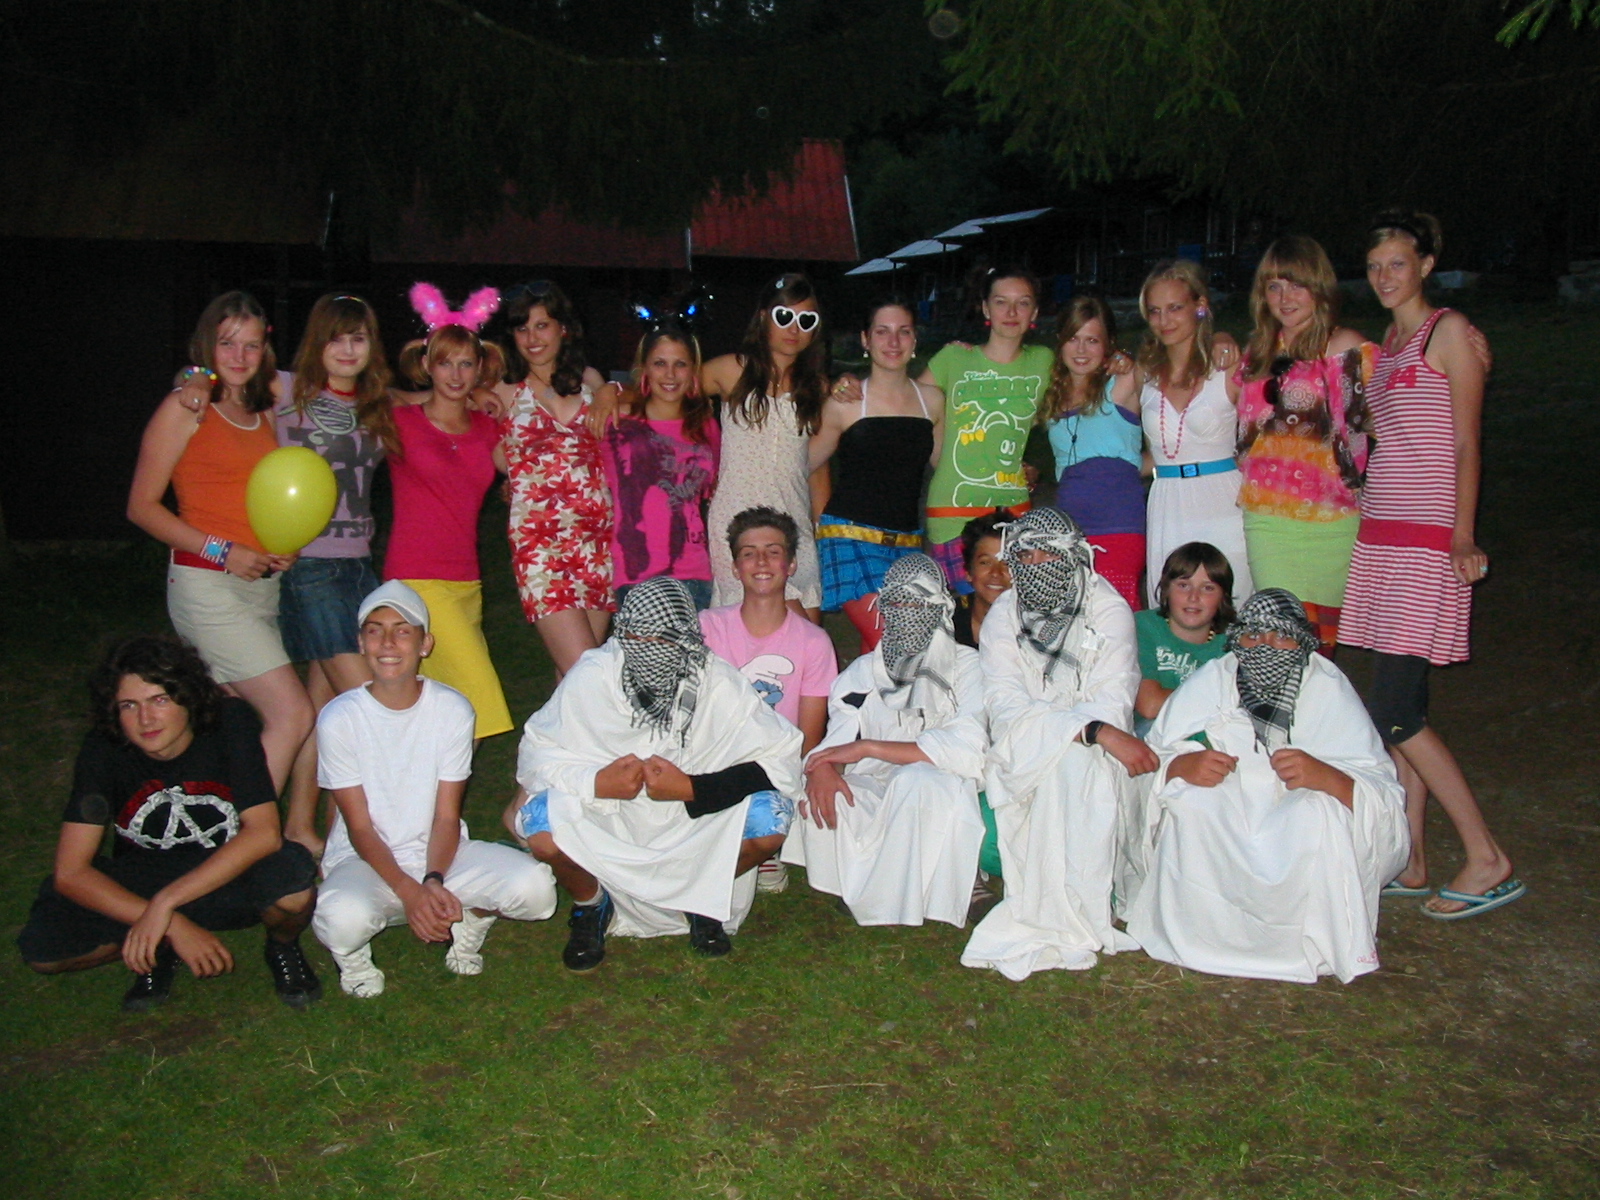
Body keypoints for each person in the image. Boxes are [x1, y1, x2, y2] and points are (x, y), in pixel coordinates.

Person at [1339, 210, 1523, 920]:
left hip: (1425, 541)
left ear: (1425, 265)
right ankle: (1412, 859)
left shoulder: (1450, 333)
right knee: (1403, 705)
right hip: (1381, 537)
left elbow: (1467, 444)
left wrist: (1462, 535)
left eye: (1398, 263)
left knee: (1393, 712)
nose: (1385, 277)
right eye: (1374, 266)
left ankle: (1486, 856)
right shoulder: (1386, 346)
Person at [508, 578, 804, 967]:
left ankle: (703, 898)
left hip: (694, 819)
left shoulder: (715, 682)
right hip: (612, 815)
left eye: (663, 639)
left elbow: (780, 759)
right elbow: (538, 754)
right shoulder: (594, 676)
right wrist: (596, 782)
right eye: (637, 637)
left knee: (771, 820)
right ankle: (591, 903)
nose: (648, 649)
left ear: (686, 637)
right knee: (540, 826)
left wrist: (693, 788)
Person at [17, 636, 321, 1011]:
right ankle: (159, 947)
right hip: (146, 873)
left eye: (159, 700)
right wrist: (170, 924)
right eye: (129, 705)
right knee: (44, 951)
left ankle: (282, 948)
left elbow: (264, 833)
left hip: (225, 868)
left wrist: (165, 905)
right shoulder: (104, 748)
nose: (145, 719)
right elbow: (71, 872)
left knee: (291, 884)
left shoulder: (229, 721)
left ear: (188, 698)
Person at [1125, 590, 1410, 983]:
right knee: (1192, 804)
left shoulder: (1326, 685)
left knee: (1318, 814)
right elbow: (1157, 753)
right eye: (1254, 636)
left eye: (1282, 636)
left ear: (1302, 642)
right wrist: (1182, 766)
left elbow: (1379, 787)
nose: (1266, 646)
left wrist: (1328, 777)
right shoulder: (1219, 675)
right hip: (1231, 795)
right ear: (1237, 640)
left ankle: (1300, 945)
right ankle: (1204, 938)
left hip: (1298, 802)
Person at [311, 583, 557, 998]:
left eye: (402, 631)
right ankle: (353, 959)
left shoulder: (452, 709)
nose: (388, 643)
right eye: (375, 631)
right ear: (361, 643)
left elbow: (446, 815)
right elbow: (359, 825)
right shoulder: (339, 717)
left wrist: (433, 879)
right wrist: (409, 892)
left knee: (536, 891)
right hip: (364, 858)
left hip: (439, 853)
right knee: (340, 919)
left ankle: (470, 914)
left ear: (425, 644)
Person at [126, 292, 315, 813]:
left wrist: (282, 548)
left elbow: (263, 499)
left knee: (235, 726)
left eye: (251, 345)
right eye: (227, 343)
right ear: (207, 343)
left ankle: (204, 824)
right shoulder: (187, 407)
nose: (239, 356)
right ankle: (244, 837)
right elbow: (141, 507)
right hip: (207, 586)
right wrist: (221, 550)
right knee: (292, 713)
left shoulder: (262, 410)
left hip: (260, 589)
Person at [960, 508, 1156, 980]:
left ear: (1072, 556)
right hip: (1022, 755)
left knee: (1075, 765)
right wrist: (1086, 730)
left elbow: (1112, 700)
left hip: (1095, 760)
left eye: (1048, 553)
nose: (1036, 563)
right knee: (1000, 828)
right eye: (1025, 555)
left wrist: (1085, 733)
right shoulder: (1005, 614)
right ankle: (1054, 905)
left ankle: (1077, 906)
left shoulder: (1106, 609)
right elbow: (1005, 705)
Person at [786, 554, 987, 927]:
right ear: (884, 608)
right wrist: (824, 768)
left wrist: (869, 747)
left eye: (918, 604)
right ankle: (875, 884)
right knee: (828, 790)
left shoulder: (966, 665)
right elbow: (841, 735)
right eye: (899, 603)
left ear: (939, 607)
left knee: (916, 781)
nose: (908, 613)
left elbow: (967, 748)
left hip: (941, 780)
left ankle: (936, 883)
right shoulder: (865, 671)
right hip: (878, 780)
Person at [273, 293, 397, 855]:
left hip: (360, 566)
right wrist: (196, 379)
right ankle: (363, 836)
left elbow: (449, 390)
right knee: (372, 702)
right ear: (316, 343)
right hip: (310, 568)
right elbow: (211, 371)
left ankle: (304, 828)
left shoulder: (378, 405)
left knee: (323, 706)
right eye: (336, 338)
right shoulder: (284, 392)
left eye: (358, 338)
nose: (347, 349)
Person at [1231, 237, 1375, 652]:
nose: (1285, 298)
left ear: (1319, 287)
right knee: (1279, 640)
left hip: (1333, 520)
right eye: (1274, 287)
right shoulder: (1256, 354)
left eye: (1297, 285)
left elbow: (1384, 418)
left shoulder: (1344, 348)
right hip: (1269, 519)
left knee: (1321, 649)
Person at [387, 300, 515, 741]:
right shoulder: (401, 421)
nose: (456, 375)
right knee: (477, 700)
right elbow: (363, 388)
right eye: (445, 363)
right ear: (426, 365)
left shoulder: (488, 428)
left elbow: (525, 473)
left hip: (467, 583)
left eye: (466, 364)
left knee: (443, 708)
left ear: (480, 368)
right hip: (417, 580)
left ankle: (431, 786)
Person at [699, 507, 839, 892]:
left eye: (773, 552)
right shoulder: (707, 627)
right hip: (712, 756)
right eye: (749, 553)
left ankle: (759, 843)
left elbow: (808, 735)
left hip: (773, 764)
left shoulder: (813, 642)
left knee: (764, 816)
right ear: (735, 567)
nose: (761, 561)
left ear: (791, 565)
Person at [487, 280, 616, 674]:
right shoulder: (502, 392)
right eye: (522, 328)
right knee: (587, 673)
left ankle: (551, 722)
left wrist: (611, 389)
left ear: (563, 328)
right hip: (541, 545)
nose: (532, 338)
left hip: (598, 541)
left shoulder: (590, 380)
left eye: (542, 325)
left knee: (573, 677)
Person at [809, 298, 943, 648]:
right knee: (893, 638)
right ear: (865, 340)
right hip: (850, 537)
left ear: (915, 339)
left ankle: (860, 687)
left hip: (908, 544)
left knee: (880, 650)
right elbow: (800, 463)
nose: (893, 342)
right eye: (882, 332)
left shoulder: (932, 401)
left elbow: (949, 467)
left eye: (903, 331)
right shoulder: (845, 402)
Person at [702, 273, 829, 617]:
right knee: (751, 625)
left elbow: (816, 467)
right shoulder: (731, 370)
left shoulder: (816, 387)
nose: (794, 329)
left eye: (806, 320)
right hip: (737, 522)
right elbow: (666, 388)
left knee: (808, 627)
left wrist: (823, 531)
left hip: (794, 521)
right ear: (763, 317)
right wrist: (613, 390)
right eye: (784, 316)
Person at [1138, 260, 1253, 608]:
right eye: (1155, 311)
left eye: (1175, 308)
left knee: (1231, 605)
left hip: (1223, 502)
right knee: (1171, 610)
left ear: (1199, 306)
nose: (1164, 320)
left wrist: (1222, 336)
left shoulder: (1228, 366)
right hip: (1167, 503)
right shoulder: (1144, 373)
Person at [600, 320, 720, 610]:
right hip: (638, 572)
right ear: (644, 369)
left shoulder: (705, 426)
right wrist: (610, 389)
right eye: (659, 363)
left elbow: (713, 489)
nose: (670, 374)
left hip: (696, 572)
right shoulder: (616, 421)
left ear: (693, 370)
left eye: (680, 364)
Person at [1040, 296, 1146, 608]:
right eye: (1073, 339)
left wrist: (1130, 360)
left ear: (1108, 344)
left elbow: (1168, 364)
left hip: (1118, 526)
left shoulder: (1123, 384)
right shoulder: (1051, 395)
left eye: (1092, 340)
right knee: (1075, 616)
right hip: (1069, 531)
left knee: (1117, 612)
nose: (1082, 350)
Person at [1134, 543, 1236, 733]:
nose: (1193, 597)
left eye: (1208, 588)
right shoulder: (1143, 626)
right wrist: (1216, 703)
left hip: (1212, 738)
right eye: (1183, 585)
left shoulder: (1233, 643)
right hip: (1151, 737)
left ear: (1223, 597)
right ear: (1166, 589)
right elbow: (1149, 706)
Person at [951, 511, 1012, 650]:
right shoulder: (947, 620)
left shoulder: (1033, 627)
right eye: (985, 562)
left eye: (1007, 563)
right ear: (968, 572)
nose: (996, 573)